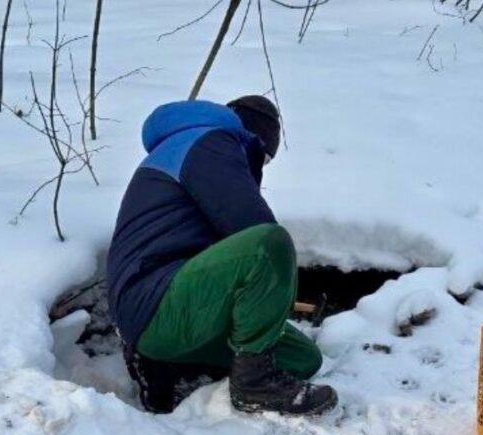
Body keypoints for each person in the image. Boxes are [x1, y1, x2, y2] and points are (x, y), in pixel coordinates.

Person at [105, 96, 338, 416]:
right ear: (255, 141)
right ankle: (254, 384)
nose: (260, 170)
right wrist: (276, 298)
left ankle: (169, 364)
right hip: (153, 300)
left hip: (162, 306)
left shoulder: (190, 149)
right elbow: (254, 230)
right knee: (269, 243)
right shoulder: (207, 142)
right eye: (264, 160)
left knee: (303, 358)